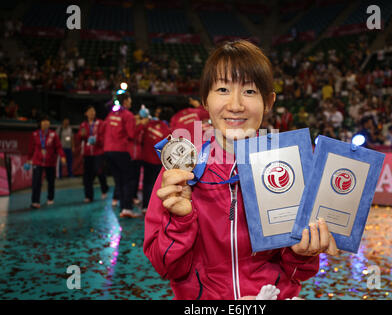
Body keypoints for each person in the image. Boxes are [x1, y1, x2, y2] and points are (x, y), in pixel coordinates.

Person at [143, 40, 337, 300]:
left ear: (268, 101)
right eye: (223, 89)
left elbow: (297, 273)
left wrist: (301, 253)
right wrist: (180, 221)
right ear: (205, 100)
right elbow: (166, 267)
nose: (235, 105)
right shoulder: (181, 172)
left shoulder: (288, 169)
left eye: (249, 91)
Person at [101, 92, 139, 218]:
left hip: (108, 151)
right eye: (130, 99)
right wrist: (139, 124)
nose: (131, 102)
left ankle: (123, 207)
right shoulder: (128, 115)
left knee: (119, 180)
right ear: (126, 101)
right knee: (128, 179)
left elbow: (103, 130)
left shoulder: (111, 114)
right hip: (121, 150)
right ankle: (127, 208)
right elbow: (132, 134)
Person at [26, 116, 67, 209]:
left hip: (50, 162)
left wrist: (62, 156)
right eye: (43, 121)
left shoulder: (53, 134)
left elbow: (59, 147)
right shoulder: (35, 134)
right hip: (37, 161)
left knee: (51, 181)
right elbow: (31, 148)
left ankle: (50, 198)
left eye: (47, 121)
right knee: (36, 181)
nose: (45, 123)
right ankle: (35, 201)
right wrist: (29, 159)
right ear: (40, 123)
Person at [140, 113, 171, 215]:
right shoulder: (166, 129)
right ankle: (156, 209)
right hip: (158, 161)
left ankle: (145, 206)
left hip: (147, 159)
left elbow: (141, 139)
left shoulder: (148, 125)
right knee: (158, 186)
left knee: (147, 184)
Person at [77, 105, 109, 203]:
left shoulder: (100, 123)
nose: (92, 113)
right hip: (87, 153)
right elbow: (79, 138)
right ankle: (88, 196)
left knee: (99, 171)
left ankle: (104, 189)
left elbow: (104, 136)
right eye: (90, 111)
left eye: (93, 111)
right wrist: (81, 135)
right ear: (86, 113)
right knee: (87, 175)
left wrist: (97, 141)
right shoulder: (83, 125)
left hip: (98, 152)